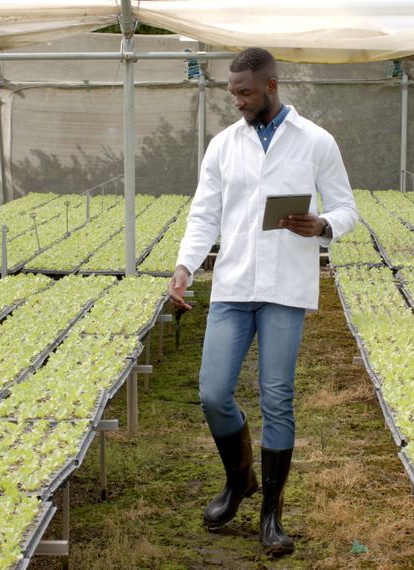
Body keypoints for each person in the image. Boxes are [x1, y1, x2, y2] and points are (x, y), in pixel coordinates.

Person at [168, 47, 358, 556]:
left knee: (277, 397)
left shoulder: (315, 141)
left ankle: (271, 513)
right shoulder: (223, 146)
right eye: (232, 92)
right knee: (212, 392)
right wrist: (185, 266)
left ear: (271, 86)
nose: (237, 101)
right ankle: (239, 482)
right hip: (232, 286)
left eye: (244, 92)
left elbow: (345, 208)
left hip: (284, 289)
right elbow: (203, 214)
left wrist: (322, 225)